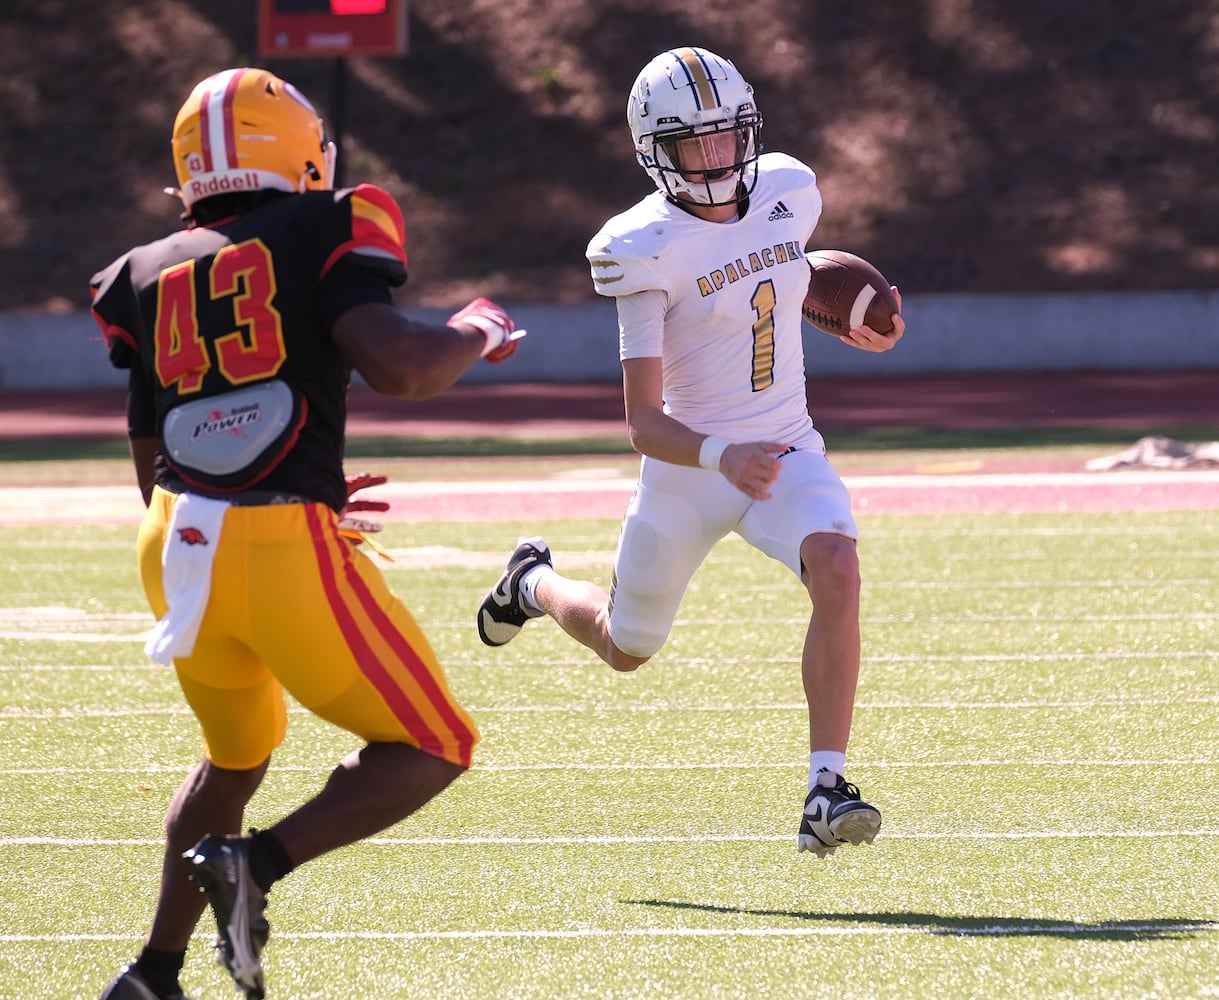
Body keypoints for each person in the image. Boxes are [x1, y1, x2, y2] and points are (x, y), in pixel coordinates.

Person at [92, 67, 524, 1000]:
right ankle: (258, 864)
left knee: (233, 757)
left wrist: (292, 484)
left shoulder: (143, 269)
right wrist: (477, 329)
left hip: (173, 542)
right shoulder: (326, 221)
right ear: (295, 149)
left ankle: (150, 975)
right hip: (273, 544)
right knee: (432, 744)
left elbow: (151, 442)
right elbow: (404, 367)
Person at [476, 46, 905, 859]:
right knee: (624, 647)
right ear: (652, 152)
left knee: (838, 568)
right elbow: (642, 421)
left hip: (787, 448)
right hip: (689, 469)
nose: (714, 158)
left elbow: (774, 266)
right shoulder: (640, 247)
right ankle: (531, 584)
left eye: (725, 137)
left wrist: (847, 314)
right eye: (691, 145)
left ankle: (825, 787)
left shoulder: (788, 190)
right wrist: (720, 456)